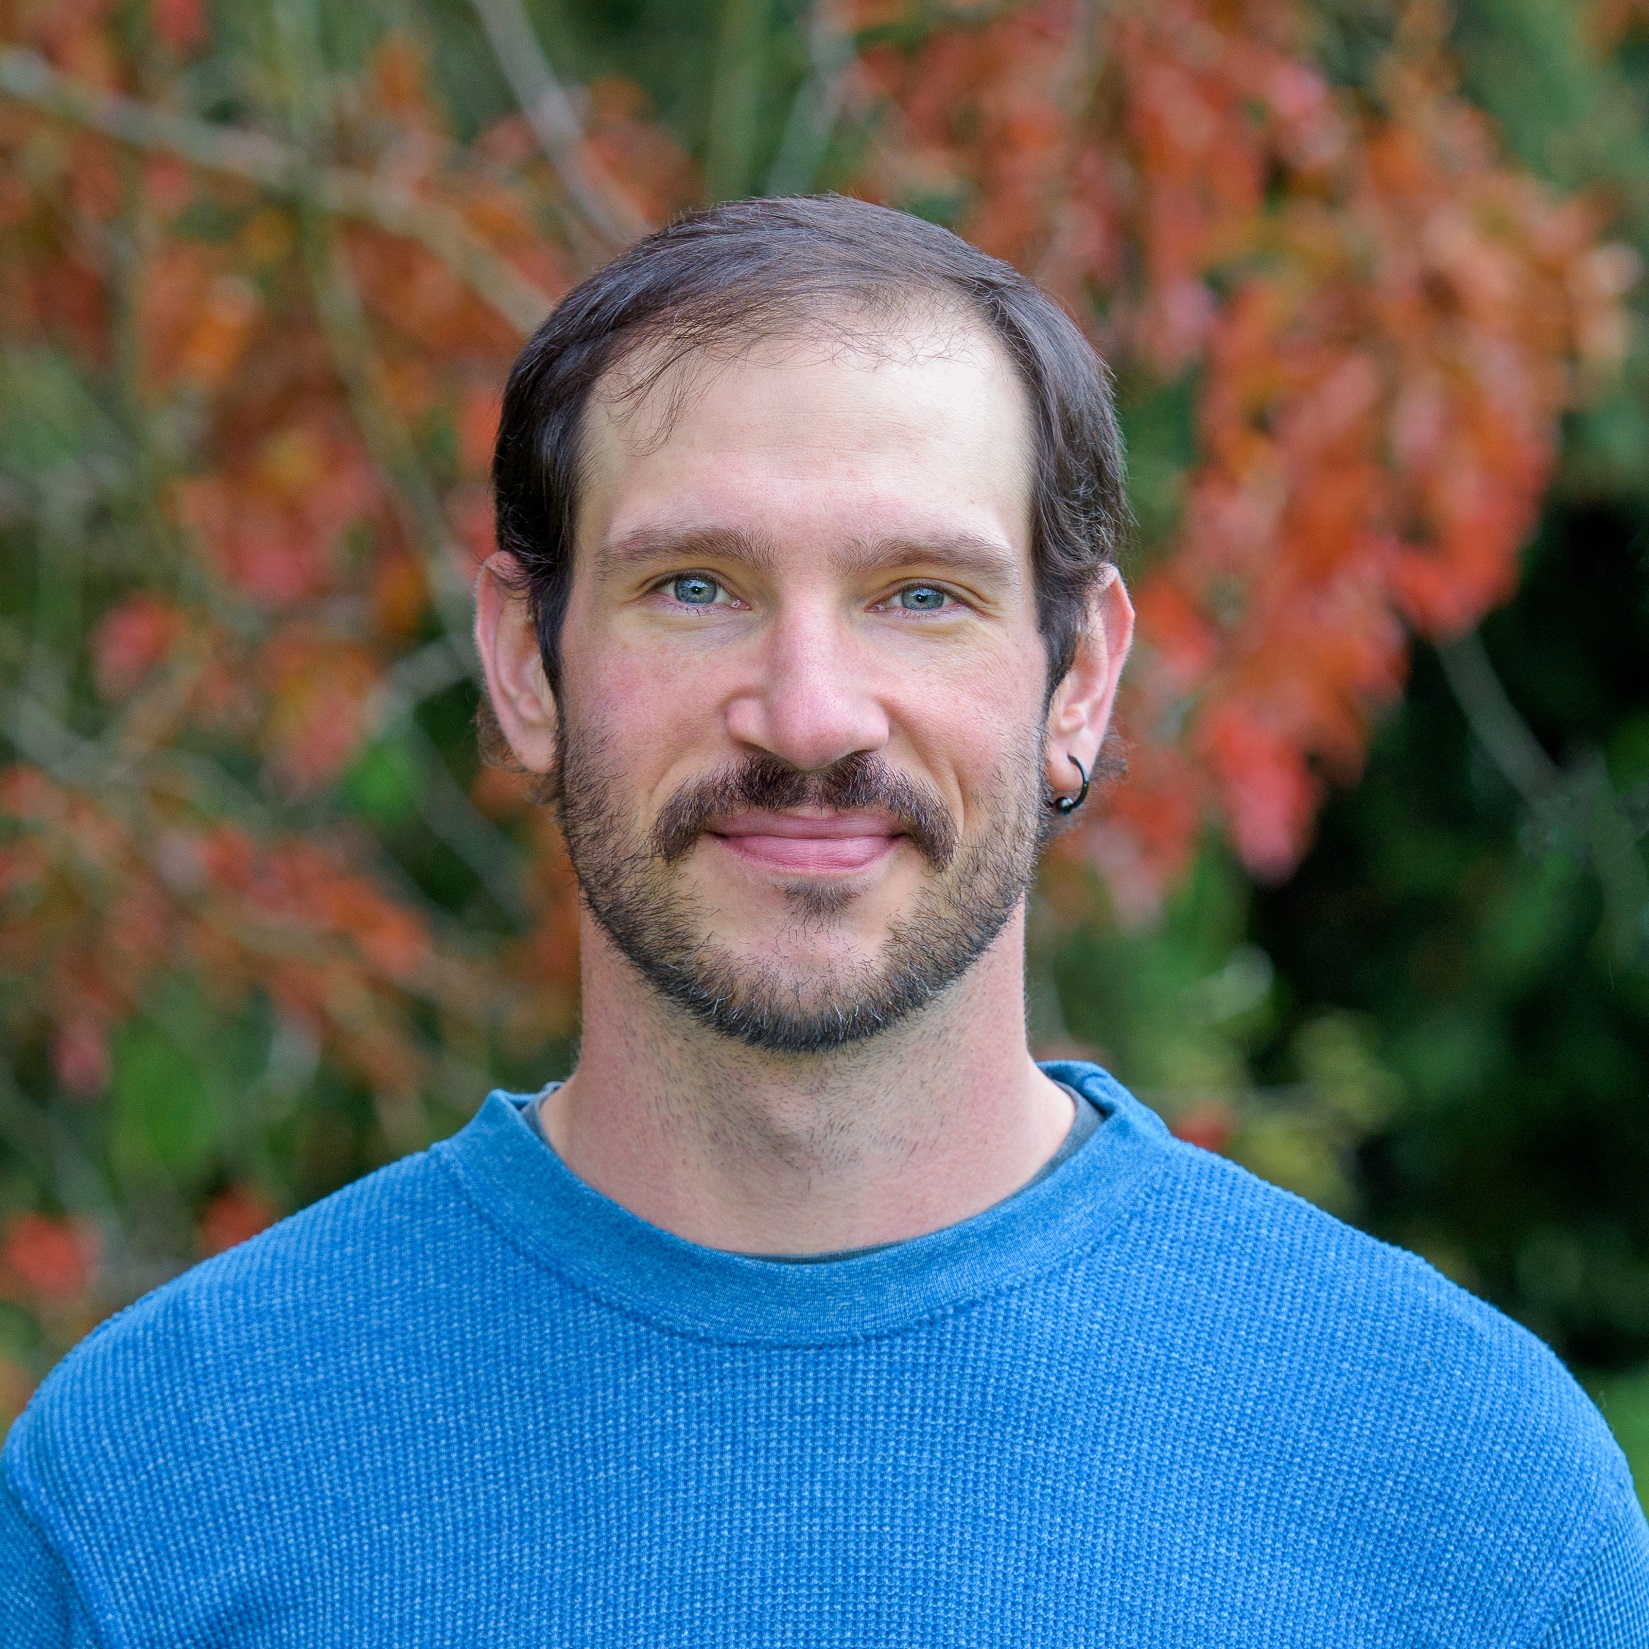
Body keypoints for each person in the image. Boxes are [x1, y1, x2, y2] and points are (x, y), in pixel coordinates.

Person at [2, 195, 1644, 1646]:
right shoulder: (159, 1483)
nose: (805, 715)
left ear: (1078, 678)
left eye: (919, 594)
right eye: (694, 586)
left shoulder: (1456, 1490)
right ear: (526, 665)